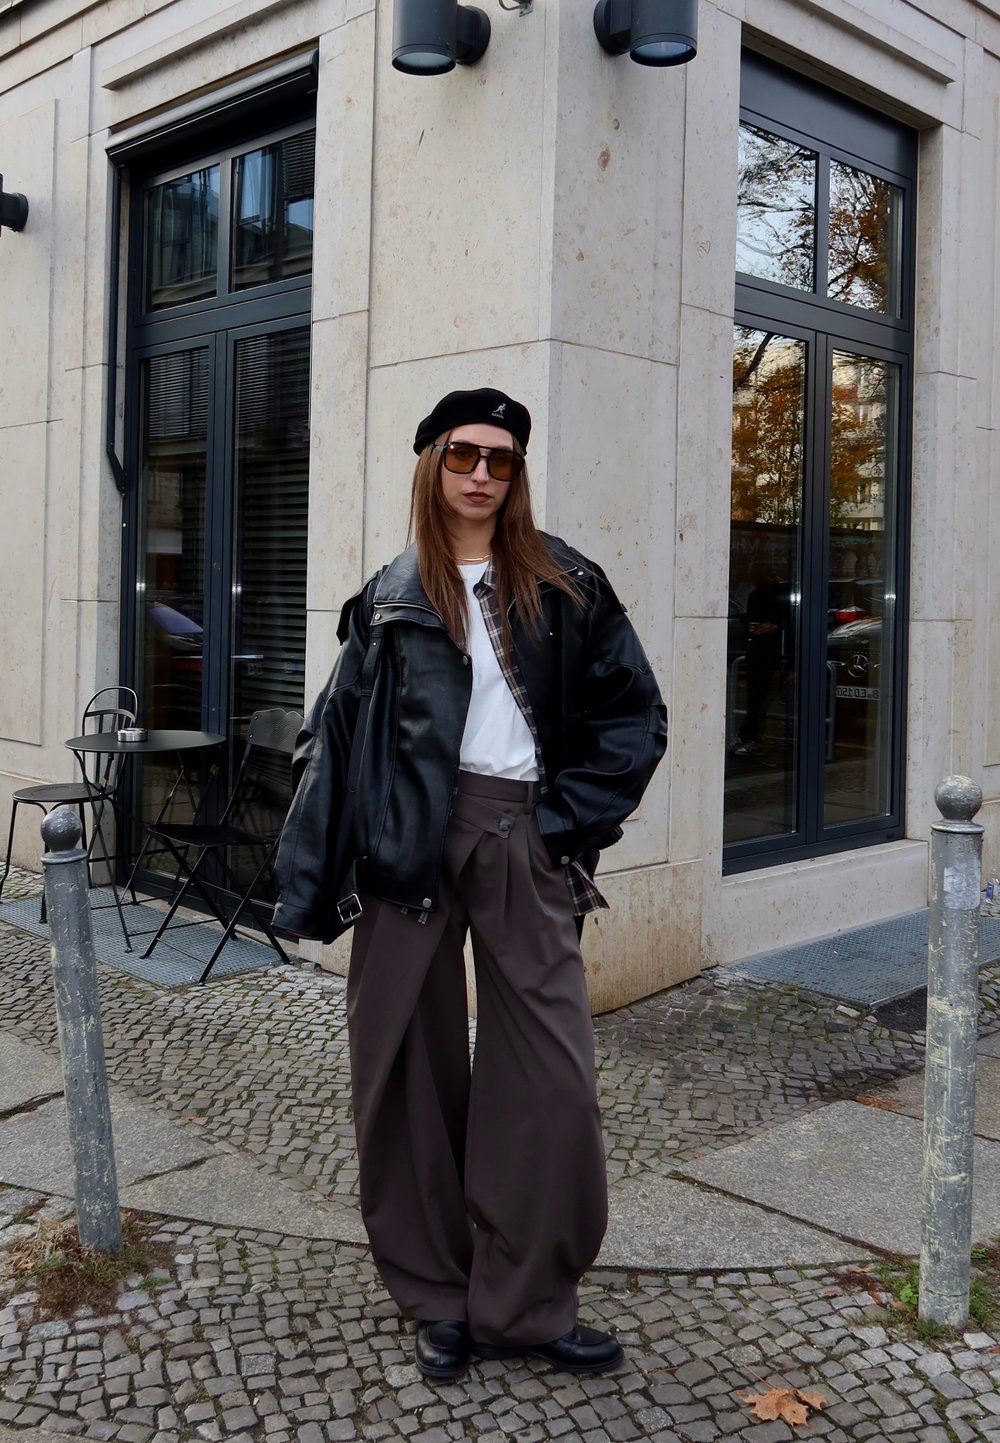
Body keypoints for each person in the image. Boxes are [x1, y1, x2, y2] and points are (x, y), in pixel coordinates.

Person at [273, 387, 667, 1382]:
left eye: (500, 459)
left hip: (520, 832)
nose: (482, 474)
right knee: (404, 1064)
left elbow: (635, 718)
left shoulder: (566, 581)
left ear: (517, 475)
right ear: (431, 466)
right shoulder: (393, 594)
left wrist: (561, 825)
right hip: (405, 843)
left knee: (551, 1079)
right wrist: (313, 875)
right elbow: (330, 742)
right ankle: (437, 1294)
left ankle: (526, 1302)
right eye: (463, 455)